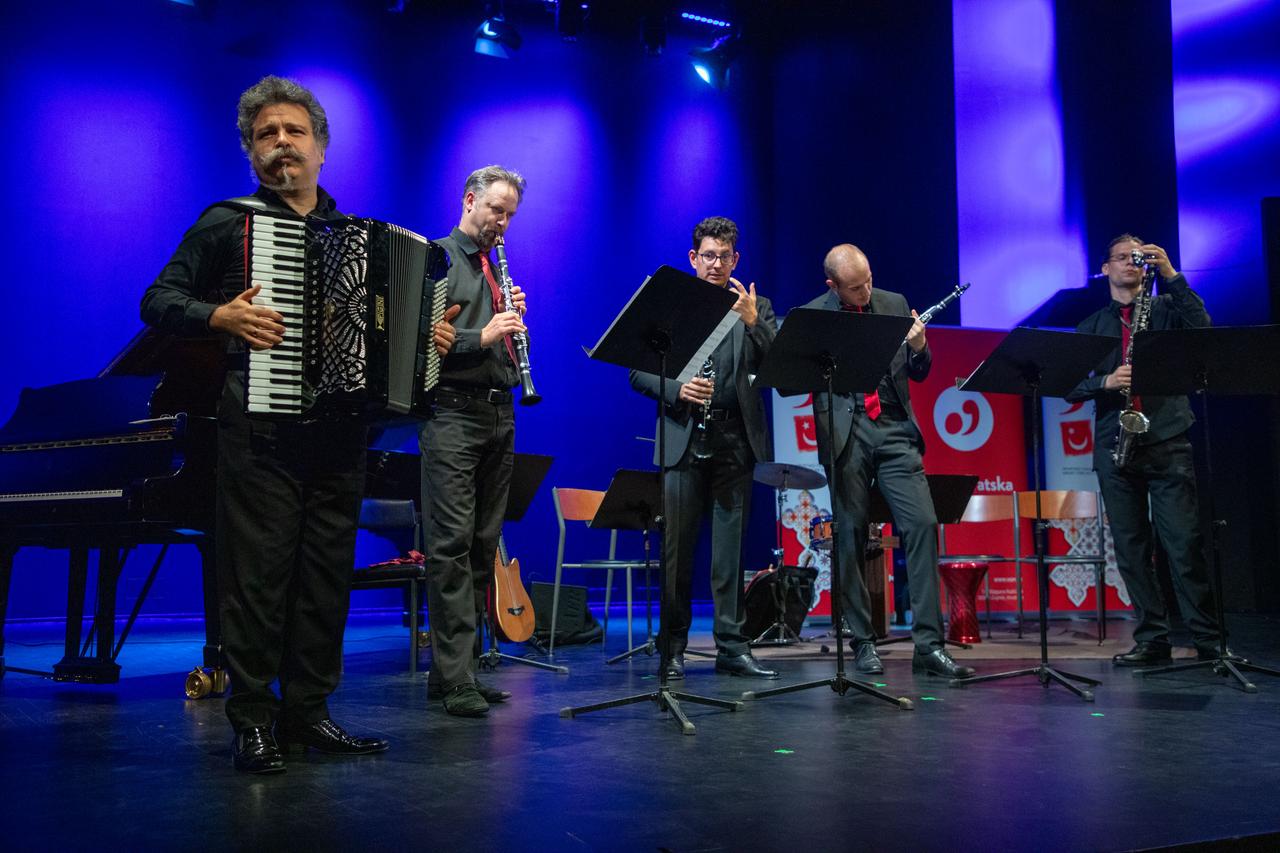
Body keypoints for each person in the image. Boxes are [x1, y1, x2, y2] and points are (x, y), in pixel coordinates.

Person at [142, 76, 454, 773]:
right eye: (265, 134)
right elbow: (157, 298)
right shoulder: (228, 222)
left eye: (294, 131)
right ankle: (253, 720)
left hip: (341, 438)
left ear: (321, 146)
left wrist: (422, 349)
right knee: (257, 583)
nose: (281, 143)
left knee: (323, 580)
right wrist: (217, 315)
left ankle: (309, 711)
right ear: (251, 152)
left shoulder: (359, 238)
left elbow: (393, 349)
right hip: (260, 433)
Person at [802, 244, 973, 679]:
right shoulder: (813, 315)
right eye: (857, 288)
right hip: (847, 430)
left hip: (895, 428)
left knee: (921, 524)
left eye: (869, 280)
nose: (867, 290)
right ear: (833, 286)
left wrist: (920, 347)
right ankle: (862, 641)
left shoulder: (893, 304)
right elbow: (795, 378)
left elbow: (919, 371)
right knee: (850, 535)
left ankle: (929, 645)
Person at [629, 216, 779, 680]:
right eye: (708, 256)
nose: (716, 265)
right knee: (677, 554)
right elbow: (635, 371)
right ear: (693, 258)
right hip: (684, 437)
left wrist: (754, 324)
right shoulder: (670, 303)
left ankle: (732, 647)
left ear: (737, 260)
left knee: (728, 554)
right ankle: (671, 649)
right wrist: (676, 389)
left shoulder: (756, 307)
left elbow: (782, 366)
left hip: (736, 439)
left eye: (725, 257)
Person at [1065, 234, 1226, 666]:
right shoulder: (1091, 327)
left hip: (1167, 437)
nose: (1131, 264)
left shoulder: (1167, 310)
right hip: (1115, 442)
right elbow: (1068, 387)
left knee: (1183, 543)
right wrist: (1105, 382)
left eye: (1138, 258)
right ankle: (1152, 638)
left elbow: (1203, 329)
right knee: (1132, 548)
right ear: (1105, 268)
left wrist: (1172, 275)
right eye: (1121, 258)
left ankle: (1209, 640)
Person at [420, 165, 529, 717]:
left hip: (498, 414)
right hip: (453, 417)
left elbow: (490, 340)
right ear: (469, 201)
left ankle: (457, 672)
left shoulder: (493, 266)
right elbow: (420, 342)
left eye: (510, 215)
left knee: (485, 545)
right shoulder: (437, 259)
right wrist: (483, 335)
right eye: (496, 211)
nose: (503, 223)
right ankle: (454, 675)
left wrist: (511, 329)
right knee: (451, 548)